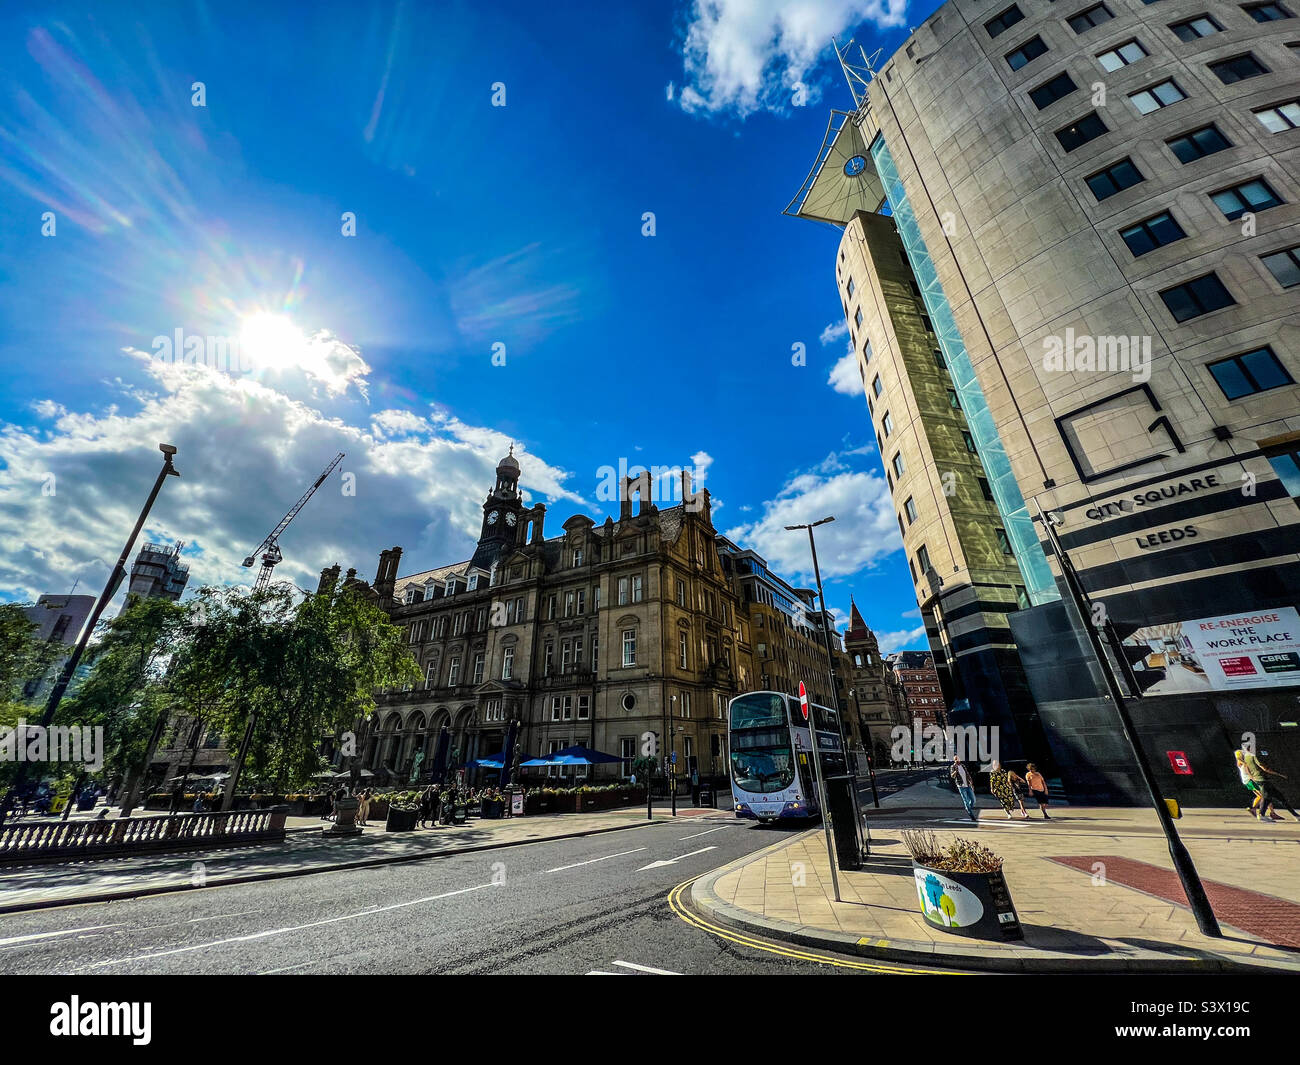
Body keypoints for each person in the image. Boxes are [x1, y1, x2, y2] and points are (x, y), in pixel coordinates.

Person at [949, 754, 977, 822]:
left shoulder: (963, 766)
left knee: (973, 800)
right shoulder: (953, 767)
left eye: (959, 759)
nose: (958, 760)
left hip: (968, 785)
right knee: (966, 801)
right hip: (961, 786)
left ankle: (968, 808)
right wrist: (955, 771)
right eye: (956, 759)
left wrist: (971, 783)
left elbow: (967, 774)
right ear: (955, 760)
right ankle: (971, 815)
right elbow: (952, 776)